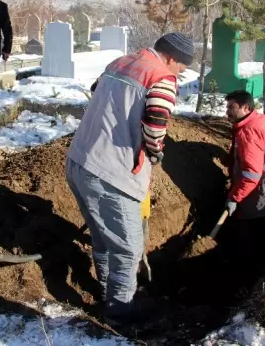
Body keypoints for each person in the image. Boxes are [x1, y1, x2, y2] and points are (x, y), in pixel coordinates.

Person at [65, 32, 194, 326]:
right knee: (128, 249)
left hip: (79, 160)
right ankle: (120, 312)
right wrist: (155, 150)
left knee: (102, 237)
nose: (181, 72)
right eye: (182, 66)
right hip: (112, 172)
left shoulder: (120, 62)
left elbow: (97, 90)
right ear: (172, 58)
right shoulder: (162, 77)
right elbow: (155, 125)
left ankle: (107, 292)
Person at [223, 90, 265, 263]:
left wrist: (234, 198)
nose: (227, 111)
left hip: (259, 201)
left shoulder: (248, 132)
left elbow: (251, 174)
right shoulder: (261, 120)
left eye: (231, 107)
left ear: (246, 107)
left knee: (251, 246)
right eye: (227, 106)